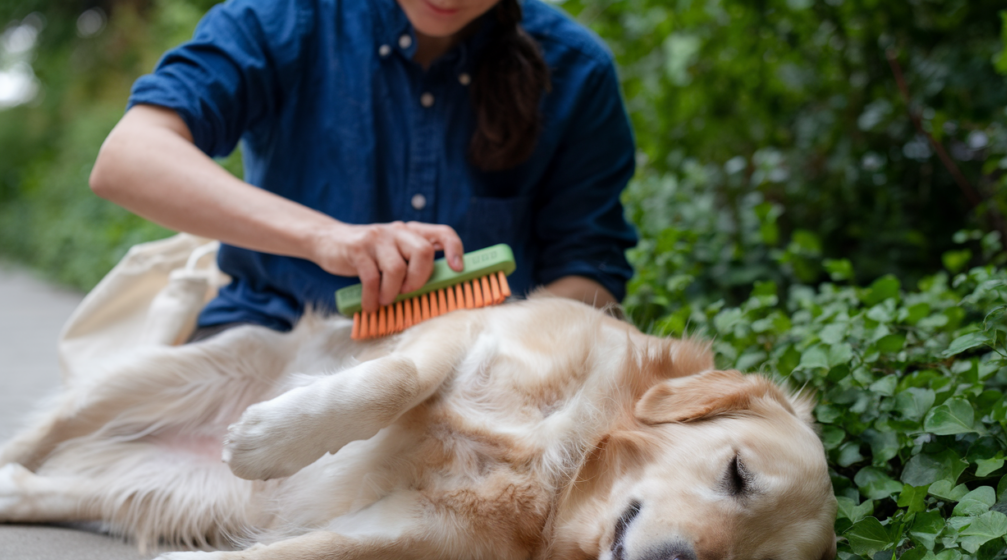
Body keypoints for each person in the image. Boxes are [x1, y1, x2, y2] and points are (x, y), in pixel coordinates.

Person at [89, 0, 637, 336]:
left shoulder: (577, 70)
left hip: (469, 375)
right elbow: (128, 158)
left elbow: (591, 271)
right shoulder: (288, 17)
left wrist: (498, 342)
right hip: (272, 336)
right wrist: (325, 238)